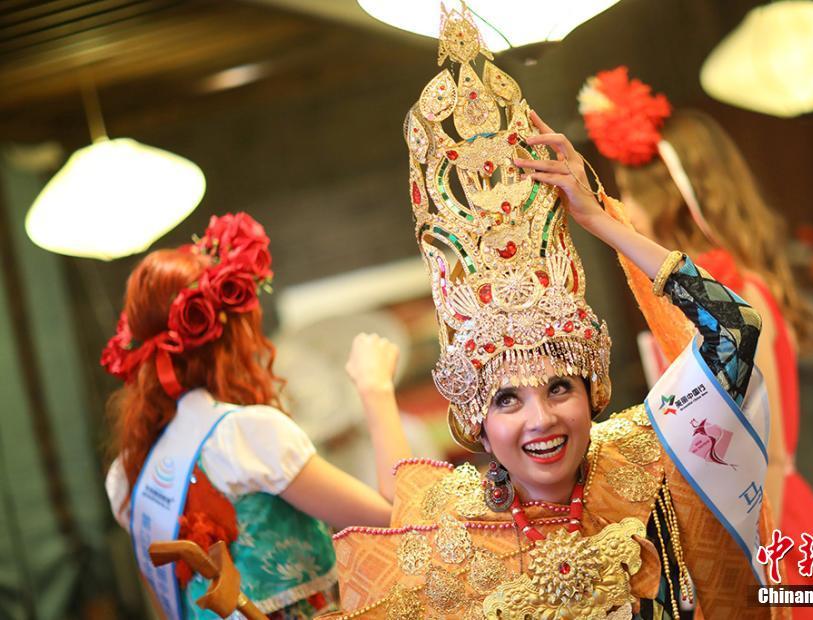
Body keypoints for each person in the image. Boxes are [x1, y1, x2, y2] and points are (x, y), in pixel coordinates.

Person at [319, 7, 782, 619]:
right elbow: (396, 499)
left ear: (593, 391)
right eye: (507, 399)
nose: (541, 420)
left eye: (559, 386)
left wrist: (600, 221)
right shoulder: (450, 524)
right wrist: (374, 390)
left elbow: (735, 330)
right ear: (475, 421)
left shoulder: (646, 458)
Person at [579, 66, 813, 617]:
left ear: (670, 196)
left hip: (765, 516)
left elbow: (768, 449)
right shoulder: (728, 279)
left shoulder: (721, 284)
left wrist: (762, 557)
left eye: (629, 193)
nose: (627, 210)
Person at [102, 213, 410, 619]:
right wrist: (376, 388)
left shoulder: (128, 475)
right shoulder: (245, 435)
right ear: (237, 336)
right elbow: (402, 521)